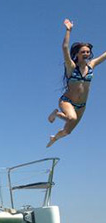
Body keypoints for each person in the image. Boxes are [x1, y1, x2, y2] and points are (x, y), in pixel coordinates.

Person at [47, 19, 106, 148]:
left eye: (87, 52)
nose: (86, 54)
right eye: (83, 52)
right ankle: (56, 113)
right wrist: (68, 30)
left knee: (67, 131)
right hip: (67, 101)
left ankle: (54, 138)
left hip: (82, 106)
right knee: (71, 118)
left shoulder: (92, 65)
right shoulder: (71, 67)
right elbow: (64, 48)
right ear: (78, 54)